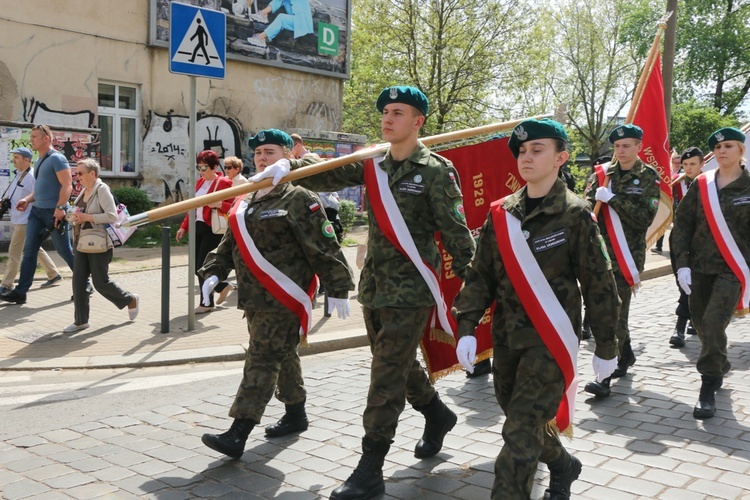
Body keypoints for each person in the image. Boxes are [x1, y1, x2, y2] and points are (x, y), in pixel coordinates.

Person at [252, 86, 476, 500]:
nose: (387, 118)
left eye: (397, 112)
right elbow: (326, 172)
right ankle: (436, 413)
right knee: (396, 364)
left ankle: (370, 466)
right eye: (385, 112)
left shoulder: (436, 171)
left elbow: (459, 237)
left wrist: (476, 296)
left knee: (384, 378)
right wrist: (289, 166)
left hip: (411, 291)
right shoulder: (372, 163)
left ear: (418, 121)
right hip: (374, 286)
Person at [452, 118, 619, 500]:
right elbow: (480, 276)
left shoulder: (576, 215)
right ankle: (563, 464)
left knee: (518, 434)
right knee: (522, 420)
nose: (526, 156)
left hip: (549, 341)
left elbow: (599, 284)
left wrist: (607, 346)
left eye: (537, 149)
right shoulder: (502, 214)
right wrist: (465, 327)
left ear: (561, 157)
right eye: (522, 151)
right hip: (507, 339)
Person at [199, 128, 354, 458]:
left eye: (269, 152)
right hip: (254, 296)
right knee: (282, 354)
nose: (261, 158)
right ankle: (296, 413)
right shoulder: (248, 198)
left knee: (262, 357)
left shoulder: (299, 197)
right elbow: (230, 245)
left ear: (286, 157)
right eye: (257, 154)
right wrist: (212, 271)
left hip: (285, 295)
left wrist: (339, 285)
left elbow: (323, 245)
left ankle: (239, 430)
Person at [671, 127, 749, 419]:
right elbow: (683, 226)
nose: (722, 151)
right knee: (701, 322)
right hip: (700, 268)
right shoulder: (702, 185)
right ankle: (719, 359)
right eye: (717, 148)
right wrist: (682, 265)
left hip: (733, 269)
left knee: (715, 322)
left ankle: (708, 385)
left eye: (728, 146)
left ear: (741, 149)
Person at [582, 124, 660, 398]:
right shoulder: (601, 175)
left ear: (639, 146)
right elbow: (585, 210)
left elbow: (644, 218)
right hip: (597, 254)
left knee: (614, 314)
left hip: (626, 256)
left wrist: (614, 199)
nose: (621, 151)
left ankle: (604, 376)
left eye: (627, 145)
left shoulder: (648, 176)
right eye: (617, 146)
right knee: (601, 312)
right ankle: (625, 355)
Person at [0, 124, 75, 305]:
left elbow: (67, 185)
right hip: (36, 211)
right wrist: (27, 199)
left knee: (64, 251)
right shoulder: (40, 160)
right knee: (29, 251)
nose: (31, 139)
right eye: (31, 136)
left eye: (34, 137)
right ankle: (20, 292)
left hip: (53, 213)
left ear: (46, 139)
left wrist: (61, 207)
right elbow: (40, 190)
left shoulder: (57, 159)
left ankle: (85, 282)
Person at [64, 159, 139, 333]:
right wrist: (74, 216)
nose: (77, 177)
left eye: (80, 173)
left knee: (100, 282)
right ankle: (80, 321)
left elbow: (112, 216)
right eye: (76, 173)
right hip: (83, 242)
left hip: (100, 243)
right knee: (78, 281)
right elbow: (80, 214)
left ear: (92, 173)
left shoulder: (102, 189)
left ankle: (130, 299)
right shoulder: (84, 191)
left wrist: (88, 217)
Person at [175, 150, 235, 313]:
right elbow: (192, 208)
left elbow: (234, 206)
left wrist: (219, 204)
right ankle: (222, 286)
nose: (201, 171)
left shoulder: (224, 183)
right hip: (198, 227)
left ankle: (206, 303)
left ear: (215, 167)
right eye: (199, 167)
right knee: (196, 268)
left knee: (204, 266)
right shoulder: (200, 183)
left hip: (212, 229)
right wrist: (184, 227)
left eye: (204, 168)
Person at [0, 147, 62, 295]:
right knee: (33, 247)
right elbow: (12, 194)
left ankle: (6, 284)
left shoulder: (32, 176)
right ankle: (54, 274)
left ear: (27, 160)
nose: (13, 160)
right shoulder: (19, 175)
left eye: (17, 157)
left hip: (26, 219)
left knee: (14, 252)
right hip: (18, 218)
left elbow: (39, 196)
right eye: (13, 156)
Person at [668, 147, 704, 348]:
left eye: (693, 164)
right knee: (682, 281)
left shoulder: (709, 183)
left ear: (701, 164)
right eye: (685, 164)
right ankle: (691, 318)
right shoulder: (677, 183)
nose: (688, 168)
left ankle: (679, 328)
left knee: (691, 284)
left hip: (703, 239)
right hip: (679, 238)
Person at [245, 0, 314, 48]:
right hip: (296, 17)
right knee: (280, 1)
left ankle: (262, 38)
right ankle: (263, 14)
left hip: (302, 22)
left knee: (281, 18)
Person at [652, 149, 681, 254]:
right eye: (675, 162)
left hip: (678, 203)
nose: (677, 165)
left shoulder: (683, 173)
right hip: (667, 202)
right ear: (671, 162)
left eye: (679, 163)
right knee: (662, 223)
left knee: (678, 227)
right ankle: (659, 246)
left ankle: (677, 248)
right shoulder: (666, 173)